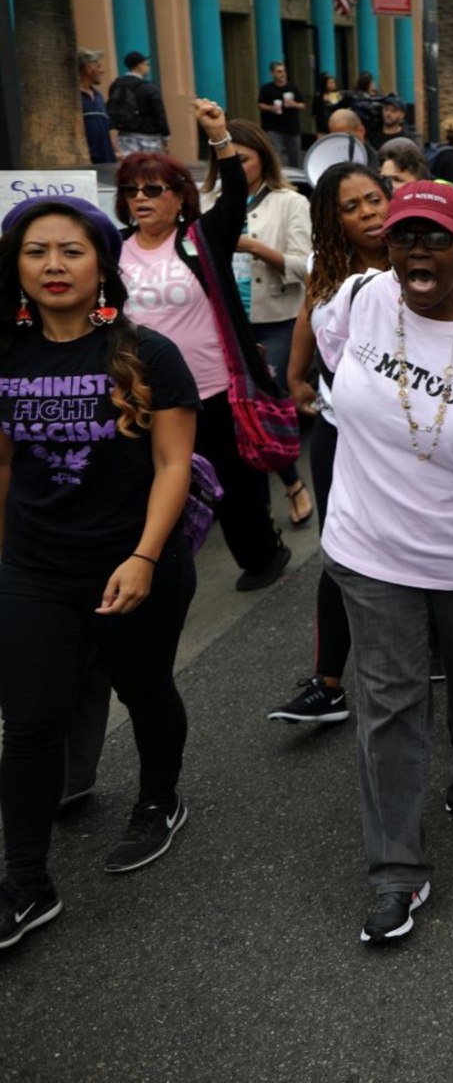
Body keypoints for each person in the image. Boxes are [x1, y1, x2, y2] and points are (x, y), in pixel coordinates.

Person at [314, 181, 453, 944]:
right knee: (392, 702)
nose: (415, 249)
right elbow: (321, 373)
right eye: (404, 235)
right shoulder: (358, 297)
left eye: (435, 237)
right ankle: (396, 873)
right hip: (367, 545)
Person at [0, 197, 199, 950]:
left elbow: (173, 463)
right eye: (36, 252)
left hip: (136, 561)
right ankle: (25, 882)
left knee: (144, 689)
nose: (53, 266)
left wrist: (144, 556)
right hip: (34, 570)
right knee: (30, 721)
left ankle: (159, 799)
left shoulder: (150, 354)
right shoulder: (5, 353)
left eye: (71, 251)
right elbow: (3, 465)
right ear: (16, 267)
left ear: (101, 265)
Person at [116, 100, 290, 591]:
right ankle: (155, 568)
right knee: (153, 484)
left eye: (153, 189)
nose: (140, 199)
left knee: (233, 485)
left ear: (179, 197)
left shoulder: (201, 238)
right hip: (145, 393)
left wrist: (218, 136)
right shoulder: (113, 248)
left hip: (212, 388)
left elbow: (234, 194)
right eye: (131, 191)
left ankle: (263, 555)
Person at [266, 162, 392, 726]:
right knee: (340, 552)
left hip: (405, 437)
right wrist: (296, 374)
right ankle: (328, 683)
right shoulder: (328, 269)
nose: (369, 213)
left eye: (374, 199)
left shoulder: (423, 257)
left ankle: (434, 645)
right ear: (332, 220)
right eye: (351, 206)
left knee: (411, 542)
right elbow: (309, 313)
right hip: (340, 431)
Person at [200, 118, 315, 528]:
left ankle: (292, 483)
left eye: (243, 158)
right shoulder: (206, 199)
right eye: (226, 157)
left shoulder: (290, 201)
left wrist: (256, 247)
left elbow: (305, 266)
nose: (234, 164)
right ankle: (253, 497)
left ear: (263, 159)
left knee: (266, 399)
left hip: (277, 320)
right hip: (226, 322)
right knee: (231, 408)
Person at [106, 53, 169, 154]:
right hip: (148, 137)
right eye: (146, 65)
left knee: (131, 167)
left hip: (125, 135)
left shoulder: (116, 85)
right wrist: (165, 135)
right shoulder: (149, 87)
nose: (147, 68)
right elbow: (159, 113)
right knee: (150, 167)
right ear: (140, 65)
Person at [256, 62, 305, 169]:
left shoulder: (293, 88)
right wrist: (271, 108)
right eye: (279, 71)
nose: (282, 74)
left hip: (292, 128)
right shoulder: (266, 88)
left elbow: (303, 105)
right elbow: (260, 104)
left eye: (283, 71)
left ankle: (297, 179)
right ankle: (278, 178)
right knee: (276, 156)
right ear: (272, 73)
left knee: (295, 157)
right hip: (274, 128)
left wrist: (294, 104)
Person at [79, 49, 117, 164]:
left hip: (106, 162)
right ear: (88, 69)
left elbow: (108, 129)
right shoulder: (74, 99)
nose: (103, 71)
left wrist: (117, 152)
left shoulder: (98, 96)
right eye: (99, 67)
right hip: (87, 165)